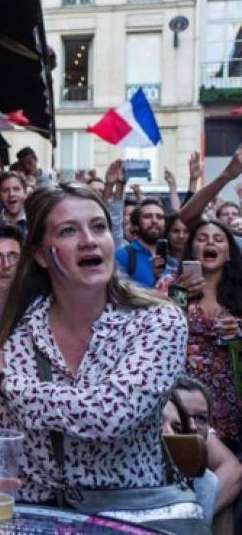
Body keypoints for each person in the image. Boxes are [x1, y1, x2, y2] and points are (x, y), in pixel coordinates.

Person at [0, 182, 192, 529]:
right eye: (69, 230)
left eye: (98, 227)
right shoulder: (9, 337)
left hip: (131, 517)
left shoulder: (159, 321)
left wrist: (8, 382)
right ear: (39, 253)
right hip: (32, 518)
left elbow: (111, 413)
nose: (89, 239)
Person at [172, 219, 242, 450]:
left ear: (229, 254)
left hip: (231, 395)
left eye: (218, 239)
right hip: (185, 395)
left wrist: (238, 332)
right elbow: (165, 329)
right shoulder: (172, 286)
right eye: (201, 239)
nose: (210, 242)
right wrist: (178, 294)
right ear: (192, 249)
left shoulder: (239, 292)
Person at [165, 376, 242, 533]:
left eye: (201, 418)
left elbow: (234, 469)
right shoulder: (140, 476)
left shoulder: (208, 483)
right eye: (183, 415)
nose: (193, 426)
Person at [115, 197, 175, 287]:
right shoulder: (123, 256)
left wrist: (184, 291)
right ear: (136, 224)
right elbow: (119, 296)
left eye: (159, 217)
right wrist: (155, 283)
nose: (154, 221)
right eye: (147, 217)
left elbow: (178, 301)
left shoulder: (173, 263)